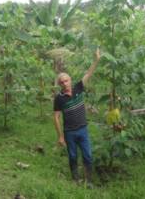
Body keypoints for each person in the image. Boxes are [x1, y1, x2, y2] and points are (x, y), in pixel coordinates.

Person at [53, 48, 100, 186]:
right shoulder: (59, 99)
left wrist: (96, 60)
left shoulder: (79, 88)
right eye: (61, 82)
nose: (64, 83)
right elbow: (56, 117)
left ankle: (89, 180)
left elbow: (88, 73)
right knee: (73, 156)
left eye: (66, 80)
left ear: (70, 80)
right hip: (69, 132)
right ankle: (75, 179)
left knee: (88, 156)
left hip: (83, 130)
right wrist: (60, 136)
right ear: (59, 85)